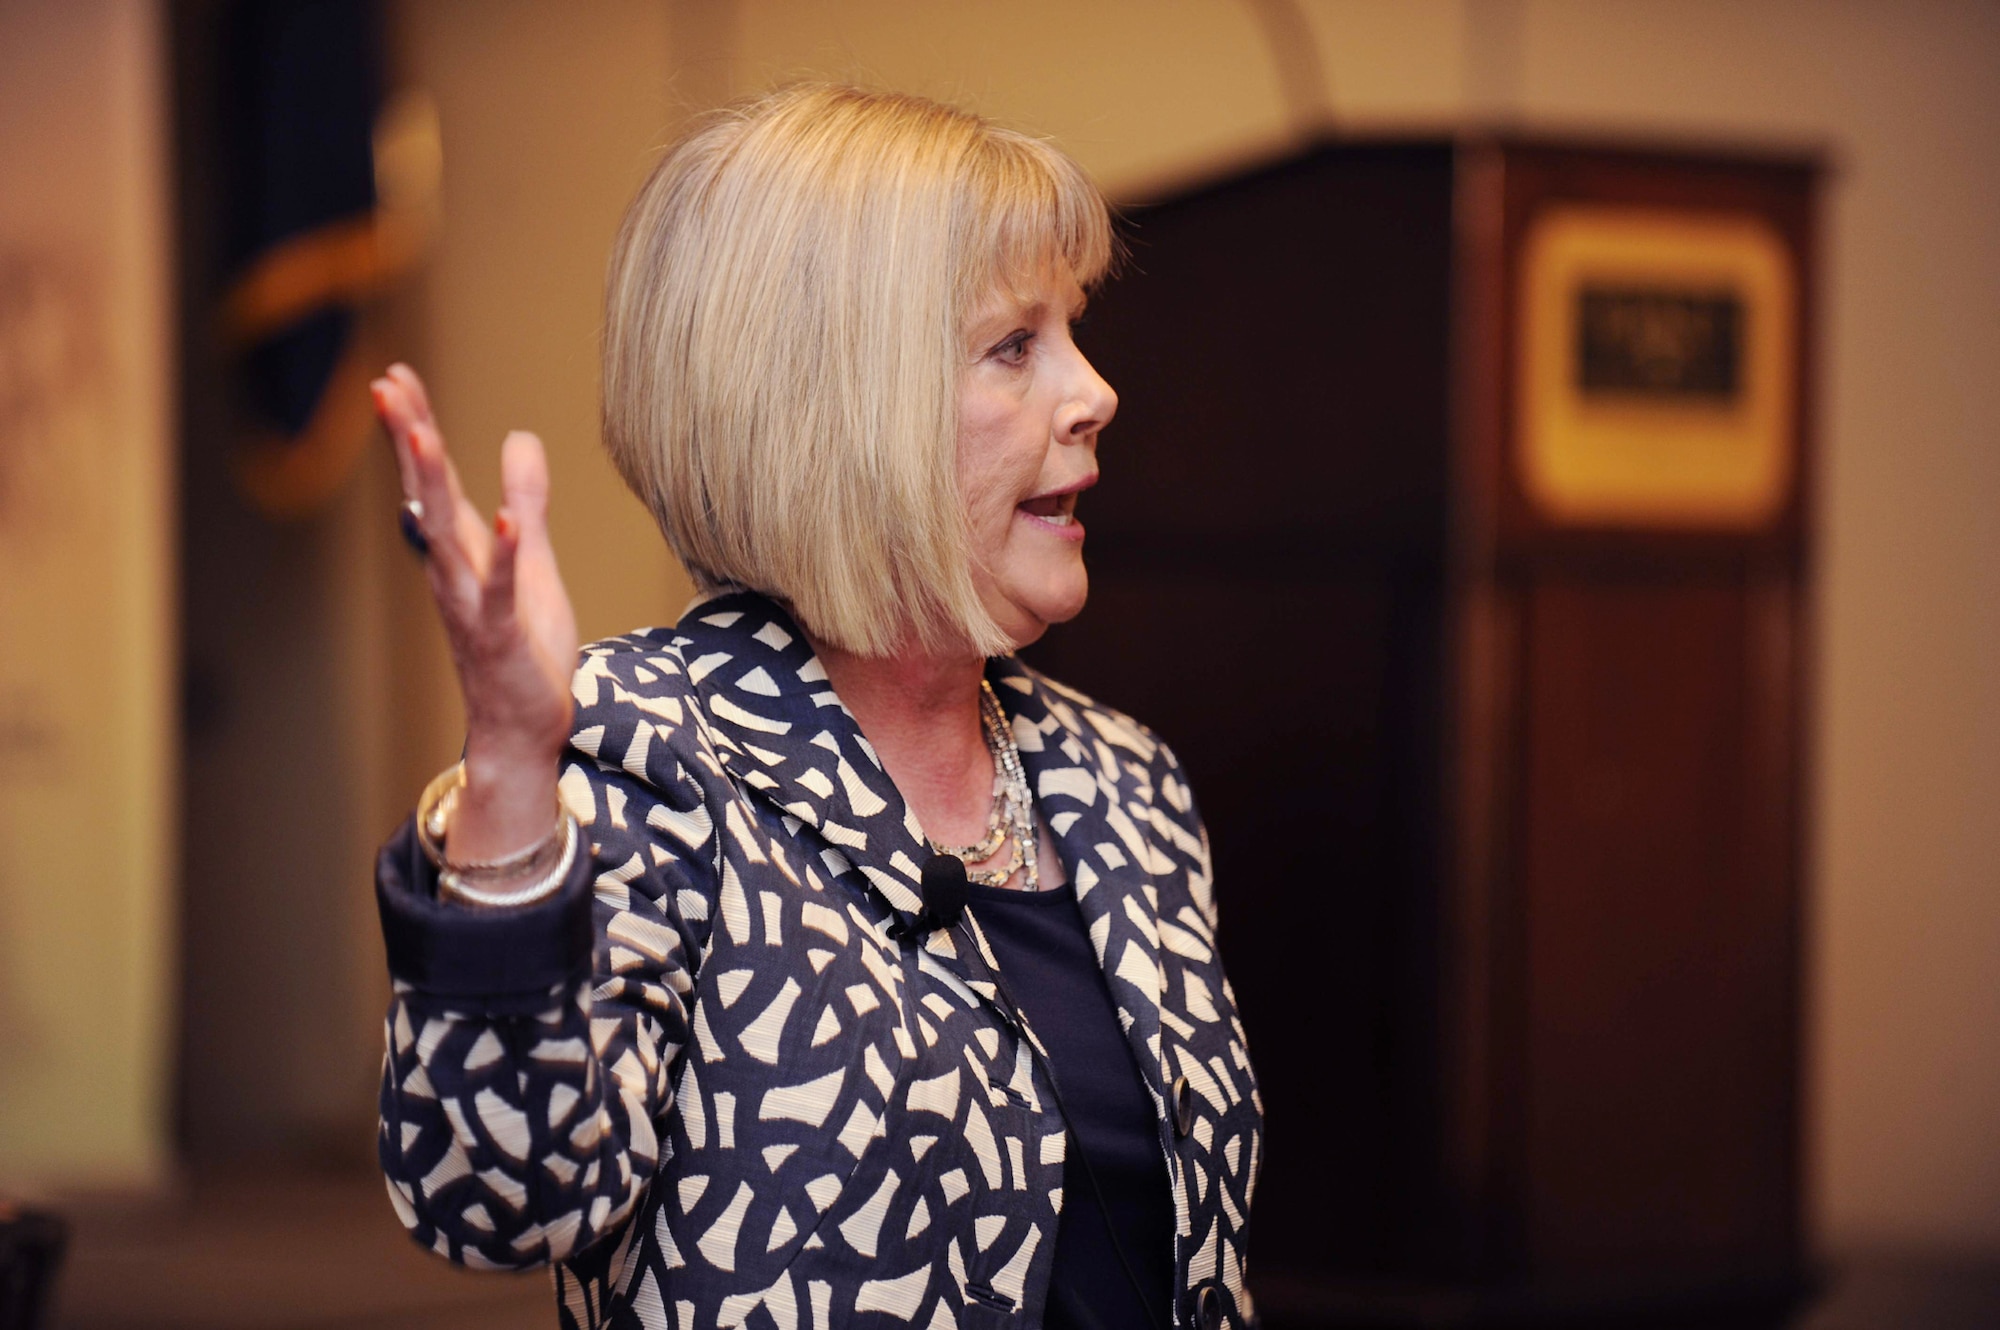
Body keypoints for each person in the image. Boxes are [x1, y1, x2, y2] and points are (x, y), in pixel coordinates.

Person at [370, 85, 1260, 1330]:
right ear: (842, 412)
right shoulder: (641, 754)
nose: (1095, 388)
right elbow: (502, 1196)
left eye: (1074, 330)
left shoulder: (1124, 784)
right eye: (1016, 345)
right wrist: (515, 763)